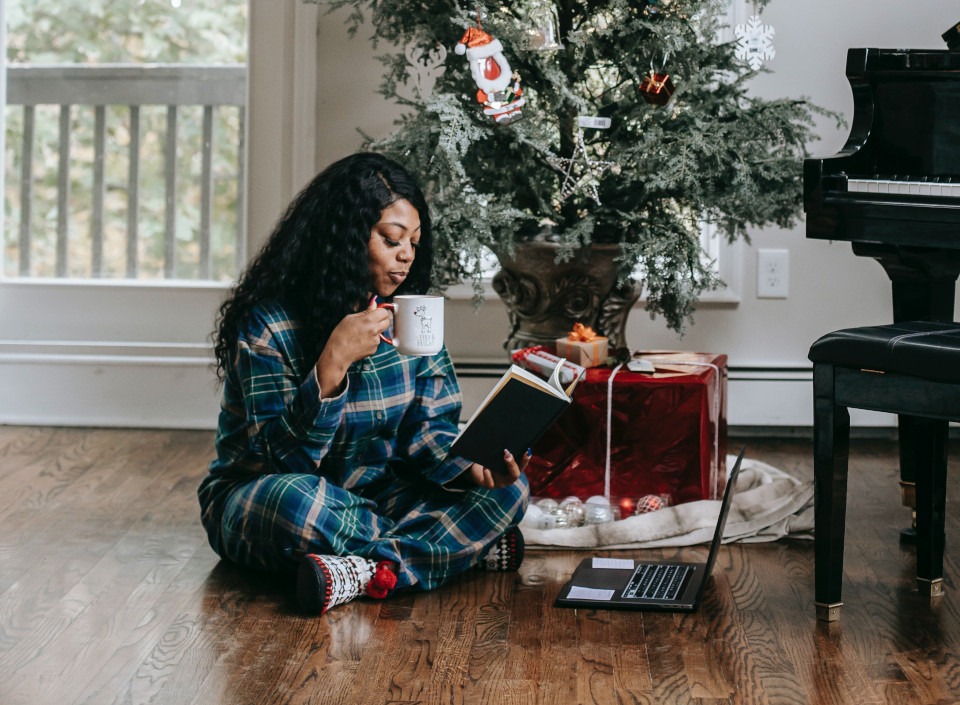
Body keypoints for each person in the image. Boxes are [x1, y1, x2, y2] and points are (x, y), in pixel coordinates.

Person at [198, 152, 530, 615]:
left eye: (414, 241)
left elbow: (429, 432)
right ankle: (442, 551)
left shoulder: (409, 320)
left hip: (378, 495)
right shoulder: (269, 326)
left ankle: (362, 571)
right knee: (296, 503)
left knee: (509, 491)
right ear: (344, 239)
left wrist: (468, 469)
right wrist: (331, 365)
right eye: (392, 239)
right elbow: (280, 462)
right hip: (268, 496)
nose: (407, 254)